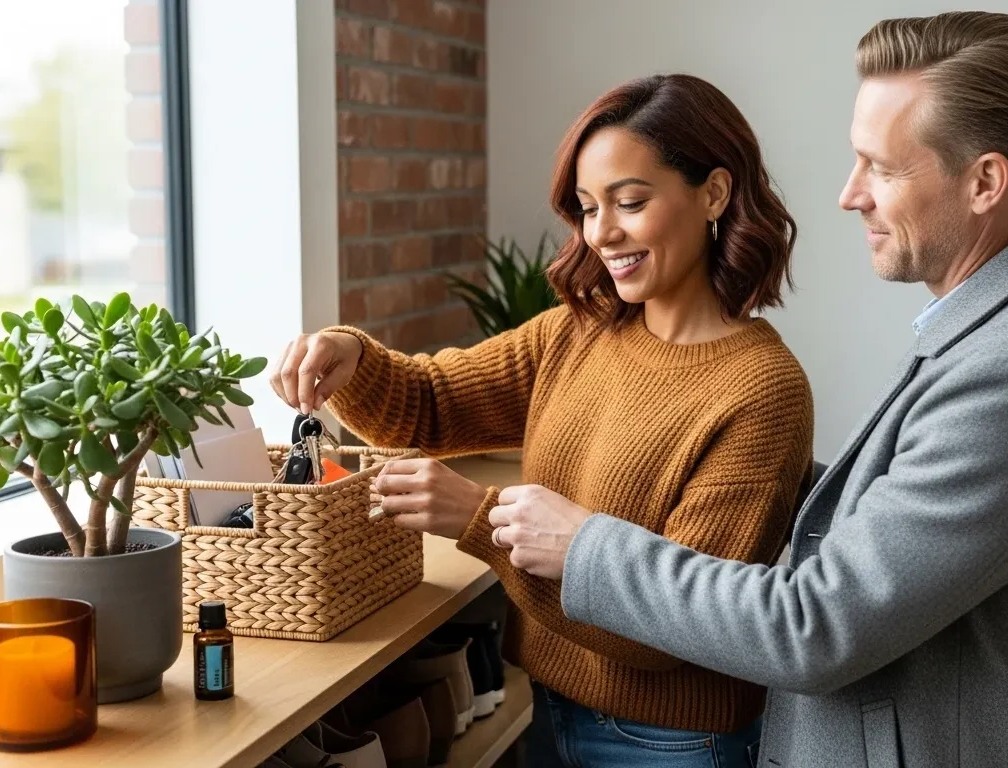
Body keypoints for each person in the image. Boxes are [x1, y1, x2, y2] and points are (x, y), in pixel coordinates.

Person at [485, 12, 1008, 768]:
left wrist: (584, 548)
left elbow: (814, 628)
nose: (849, 194)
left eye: (881, 167)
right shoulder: (997, 330)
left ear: (985, 182)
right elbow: (914, 525)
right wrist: (753, 470)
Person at [270, 74, 814, 767]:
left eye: (631, 202)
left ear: (714, 193)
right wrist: (350, 355)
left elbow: (680, 624)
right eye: (587, 208)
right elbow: (431, 403)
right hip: (551, 705)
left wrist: (480, 520)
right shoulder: (579, 332)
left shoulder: (763, 392)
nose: (602, 232)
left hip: (672, 743)